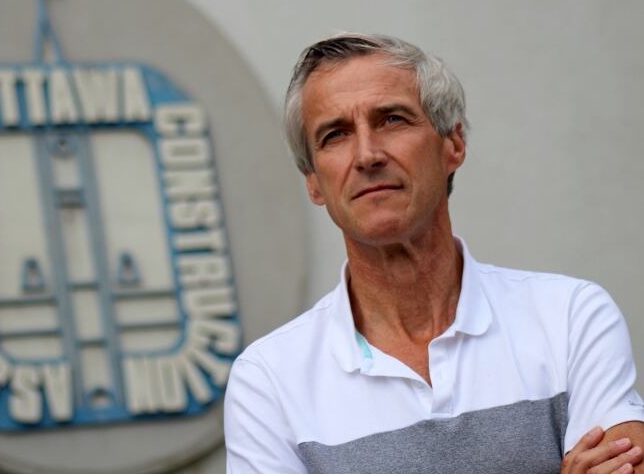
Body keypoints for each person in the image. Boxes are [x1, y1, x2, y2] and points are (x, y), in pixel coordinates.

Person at [223, 33, 644, 473]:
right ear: (313, 181)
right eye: (336, 134)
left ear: (453, 144)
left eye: (391, 120)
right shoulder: (268, 381)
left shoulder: (569, 318)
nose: (367, 155)